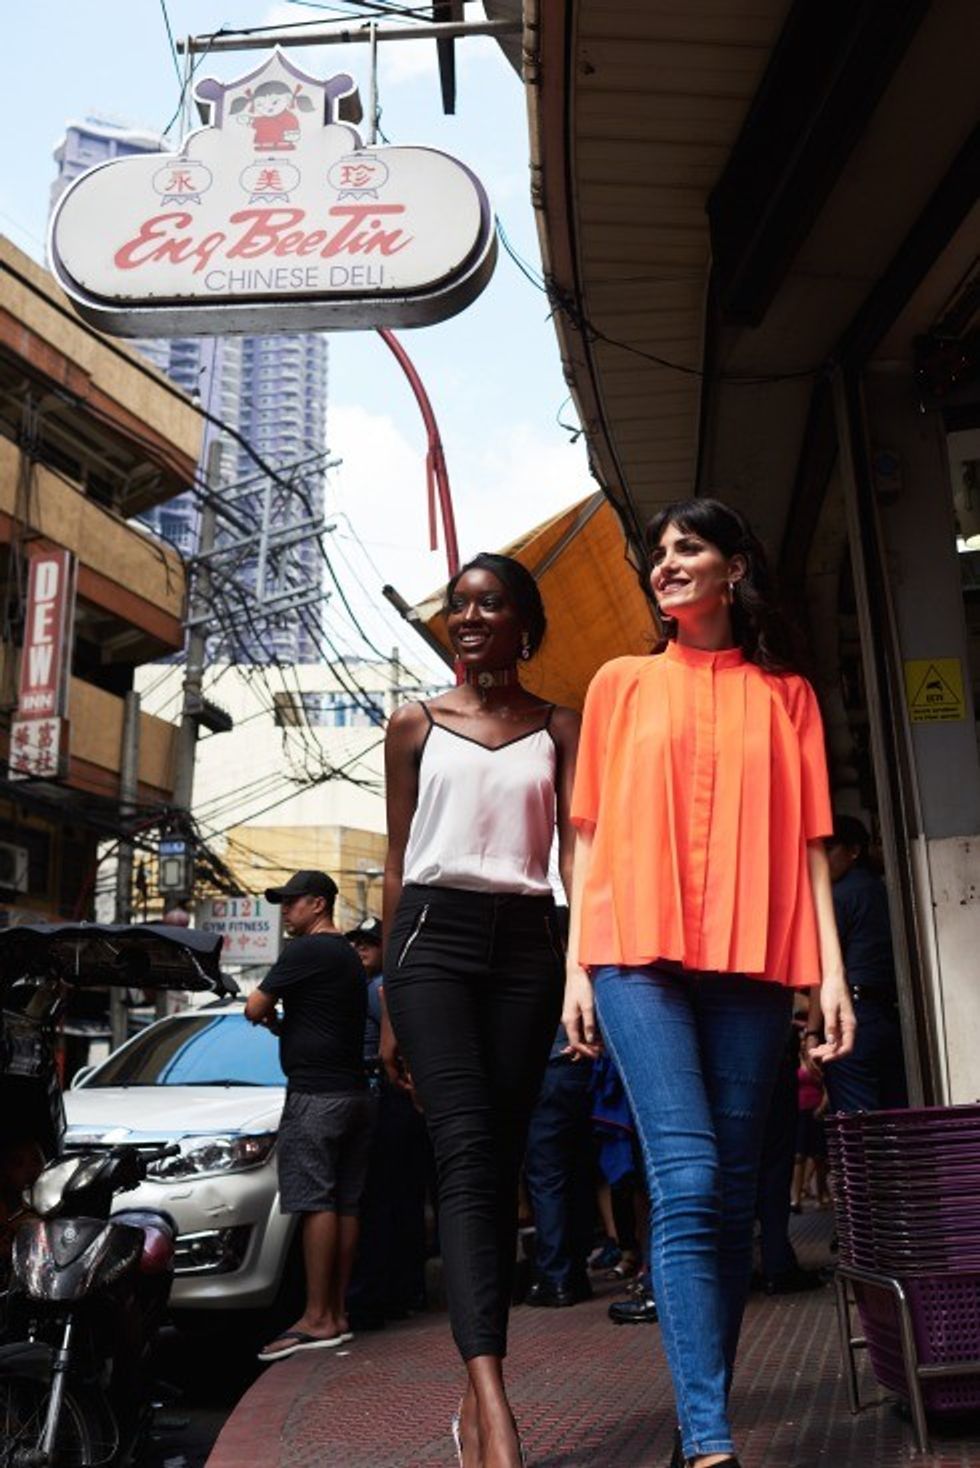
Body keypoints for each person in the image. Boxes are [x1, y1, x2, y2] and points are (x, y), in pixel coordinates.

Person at [563, 498, 856, 1468]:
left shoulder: (788, 696)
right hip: (630, 952)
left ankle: (704, 1410)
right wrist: (575, 968)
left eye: (686, 548)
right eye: (657, 553)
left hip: (753, 964)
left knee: (729, 1197)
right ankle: (708, 1441)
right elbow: (589, 835)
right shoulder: (618, 684)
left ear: (734, 568)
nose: (665, 564)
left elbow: (813, 849)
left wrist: (829, 975)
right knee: (685, 1180)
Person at [380, 552, 579, 1468]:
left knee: (497, 1164)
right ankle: (495, 1404)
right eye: (458, 606)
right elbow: (396, 860)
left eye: (489, 604)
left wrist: (581, 971)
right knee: (463, 1152)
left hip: (530, 948)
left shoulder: (558, 727)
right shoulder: (413, 725)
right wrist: (385, 1002)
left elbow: (572, 866)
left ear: (522, 623)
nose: (468, 618)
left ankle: (474, 1389)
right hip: (432, 942)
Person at [244, 870, 376, 1363]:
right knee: (345, 1203)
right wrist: (286, 1025)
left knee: (315, 1200)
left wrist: (265, 1015)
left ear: (318, 904)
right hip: (354, 1093)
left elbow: (253, 1005)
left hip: (315, 1097)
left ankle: (318, 1317)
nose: (285, 911)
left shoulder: (304, 951)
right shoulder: (347, 954)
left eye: (292, 903)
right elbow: (318, 1019)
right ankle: (337, 1313)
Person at [345, 915, 429, 1331]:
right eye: (356, 943)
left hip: (390, 1100)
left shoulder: (381, 989)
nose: (360, 950)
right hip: (392, 1102)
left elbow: (396, 1050)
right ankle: (403, 1290)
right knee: (399, 1202)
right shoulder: (377, 987)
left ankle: (386, 1293)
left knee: (385, 1203)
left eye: (369, 944)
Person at [814, 814, 908, 1113]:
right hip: (889, 1015)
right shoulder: (885, 890)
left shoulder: (839, 898)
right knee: (895, 1116)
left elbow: (827, 969)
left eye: (829, 850)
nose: (821, 860)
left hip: (851, 1014)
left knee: (858, 1123)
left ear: (854, 851)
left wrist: (812, 1032)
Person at [524, 911, 594, 1309]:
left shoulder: (541, 970)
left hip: (549, 1074)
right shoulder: (583, 971)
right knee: (577, 1173)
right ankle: (577, 1270)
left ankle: (557, 1276)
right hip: (582, 1076)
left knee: (546, 1178)